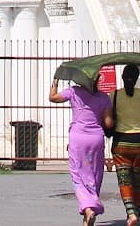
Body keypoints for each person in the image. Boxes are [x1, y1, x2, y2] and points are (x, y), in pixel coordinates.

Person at [50, 74, 112, 226]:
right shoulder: (104, 97)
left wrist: (55, 81)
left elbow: (52, 97)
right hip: (96, 139)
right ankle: (88, 213)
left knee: (78, 175)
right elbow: (109, 123)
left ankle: (88, 208)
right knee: (95, 173)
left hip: (77, 138)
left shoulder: (73, 92)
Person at [110, 63, 140, 226]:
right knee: (137, 180)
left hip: (121, 141)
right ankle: (137, 211)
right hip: (139, 141)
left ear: (122, 78)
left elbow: (108, 117)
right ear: (137, 79)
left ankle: (130, 213)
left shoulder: (114, 95)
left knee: (124, 180)